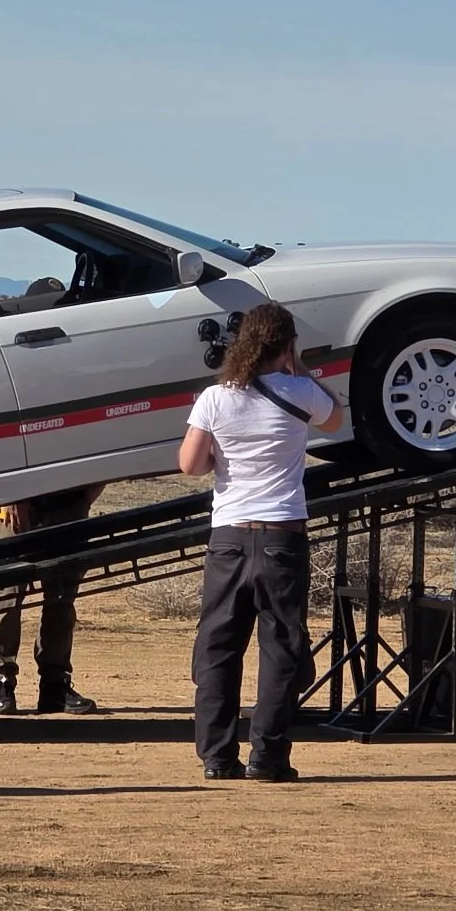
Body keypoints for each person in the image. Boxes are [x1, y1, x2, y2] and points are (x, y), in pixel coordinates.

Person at [178, 302, 344, 782]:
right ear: (287, 346)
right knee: (281, 648)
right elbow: (335, 420)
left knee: (219, 647)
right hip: (282, 536)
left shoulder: (215, 398)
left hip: (228, 536)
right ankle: (268, 757)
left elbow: (190, 465)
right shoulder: (301, 392)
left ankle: (216, 756)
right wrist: (304, 371)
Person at [0, 485, 104, 715]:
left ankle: (55, 686)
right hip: (18, 503)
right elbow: (1, 449)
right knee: (7, 596)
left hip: (69, 504)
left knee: (61, 598)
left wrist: (87, 496)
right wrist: (12, 494)